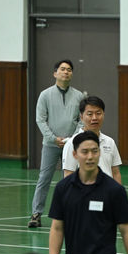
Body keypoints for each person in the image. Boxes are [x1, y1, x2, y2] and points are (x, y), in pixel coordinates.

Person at [61, 95, 126, 254]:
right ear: (81, 117)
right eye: (89, 113)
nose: (94, 117)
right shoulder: (73, 143)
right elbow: (68, 175)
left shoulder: (109, 142)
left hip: (107, 205)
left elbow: (115, 172)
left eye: (98, 113)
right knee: (85, 251)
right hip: (83, 208)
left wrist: (119, 201)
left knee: (106, 250)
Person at [28, 59, 84, 228]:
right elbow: (40, 119)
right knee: (44, 178)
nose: (66, 72)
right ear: (55, 73)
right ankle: (36, 214)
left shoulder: (79, 96)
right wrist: (53, 138)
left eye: (69, 70)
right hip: (50, 144)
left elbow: (81, 120)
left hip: (71, 146)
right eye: (62, 69)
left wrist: (72, 139)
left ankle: (71, 213)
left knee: (71, 180)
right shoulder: (45, 95)